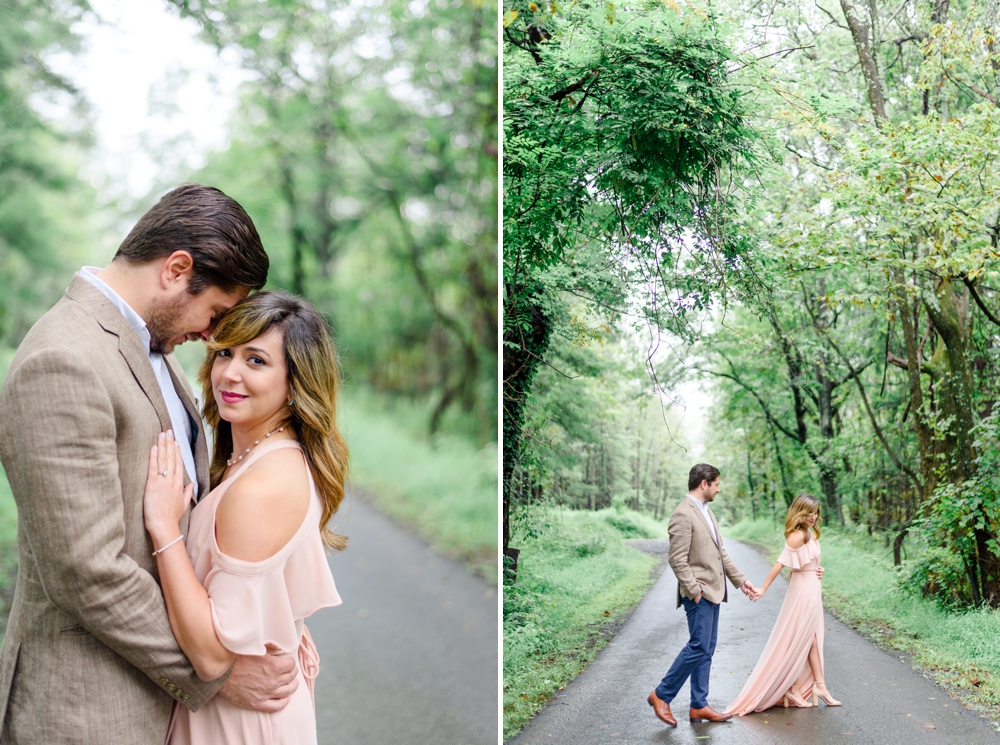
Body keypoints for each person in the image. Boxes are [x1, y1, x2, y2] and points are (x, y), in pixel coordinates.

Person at [0, 184, 300, 745]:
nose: (213, 335)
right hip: (89, 709)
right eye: (215, 312)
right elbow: (86, 571)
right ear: (176, 269)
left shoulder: (149, 348)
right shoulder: (63, 359)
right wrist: (217, 672)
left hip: (155, 705)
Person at [143, 290, 346, 744]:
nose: (230, 374)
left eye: (256, 361)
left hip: (240, 725)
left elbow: (213, 656)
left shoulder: (261, 486)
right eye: (225, 354)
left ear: (295, 382)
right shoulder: (251, 457)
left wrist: (162, 528)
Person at [648, 464, 757, 727]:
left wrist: (741, 580)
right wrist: (695, 591)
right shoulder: (682, 514)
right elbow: (676, 559)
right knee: (698, 646)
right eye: (717, 483)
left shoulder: (707, 512)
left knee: (706, 649)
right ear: (704, 483)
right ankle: (661, 695)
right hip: (700, 594)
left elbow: (721, 554)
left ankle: (699, 705)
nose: (719, 489)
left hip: (714, 592)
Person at [725, 493, 841, 714]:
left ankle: (806, 686)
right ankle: (809, 687)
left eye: (816, 512)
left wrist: (819, 568)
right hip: (803, 591)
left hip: (812, 586)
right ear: (800, 512)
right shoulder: (797, 535)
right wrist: (763, 589)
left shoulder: (810, 533)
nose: (814, 516)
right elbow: (780, 563)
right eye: (810, 512)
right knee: (803, 638)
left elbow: (808, 561)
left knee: (812, 638)